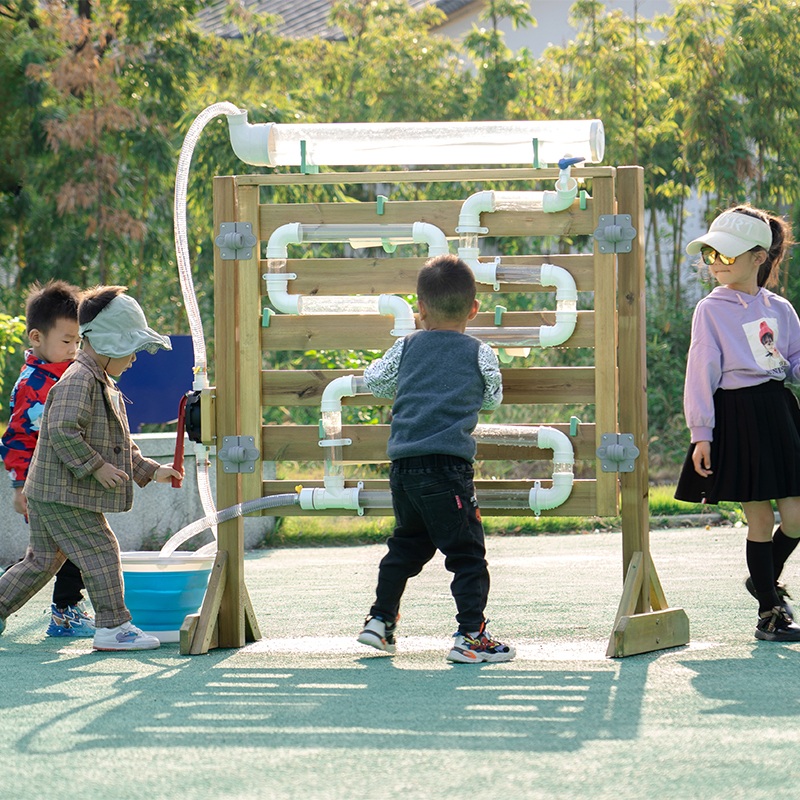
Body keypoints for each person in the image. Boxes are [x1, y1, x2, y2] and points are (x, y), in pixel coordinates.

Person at [0, 285, 182, 651]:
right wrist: (96, 467)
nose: (133, 359)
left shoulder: (100, 381)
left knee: (40, 562)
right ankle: (114, 626)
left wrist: (149, 470)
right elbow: (61, 430)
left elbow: (116, 445)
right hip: (61, 494)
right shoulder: (78, 380)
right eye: (130, 350)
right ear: (108, 344)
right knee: (101, 550)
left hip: (52, 493)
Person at [356, 254, 515, 663]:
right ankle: (470, 636)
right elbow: (494, 399)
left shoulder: (406, 345)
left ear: (420, 308)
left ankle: (380, 621)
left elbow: (376, 382)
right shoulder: (479, 352)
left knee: (406, 546)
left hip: (404, 469)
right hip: (448, 470)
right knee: (466, 554)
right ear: (474, 309)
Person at [675, 205, 800, 642]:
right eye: (711, 255)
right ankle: (769, 613)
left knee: (797, 515)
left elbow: (795, 360)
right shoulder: (710, 310)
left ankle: (763, 580)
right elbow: (700, 373)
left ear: (758, 257)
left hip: (779, 413)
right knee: (760, 519)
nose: (716, 264)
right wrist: (701, 435)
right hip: (737, 417)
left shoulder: (780, 308)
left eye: (727, 256)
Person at [0, 280, 95, 637]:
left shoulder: (72, 373)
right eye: (66, 341)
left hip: (71, 483)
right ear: (37, 338)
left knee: (48, 556)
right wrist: (19, 485)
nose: (74, 349)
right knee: (65, 552)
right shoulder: (33, 384)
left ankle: (56, 605)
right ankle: (66, 611)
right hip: (43, 486)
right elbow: (18, 438)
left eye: (78, 342)